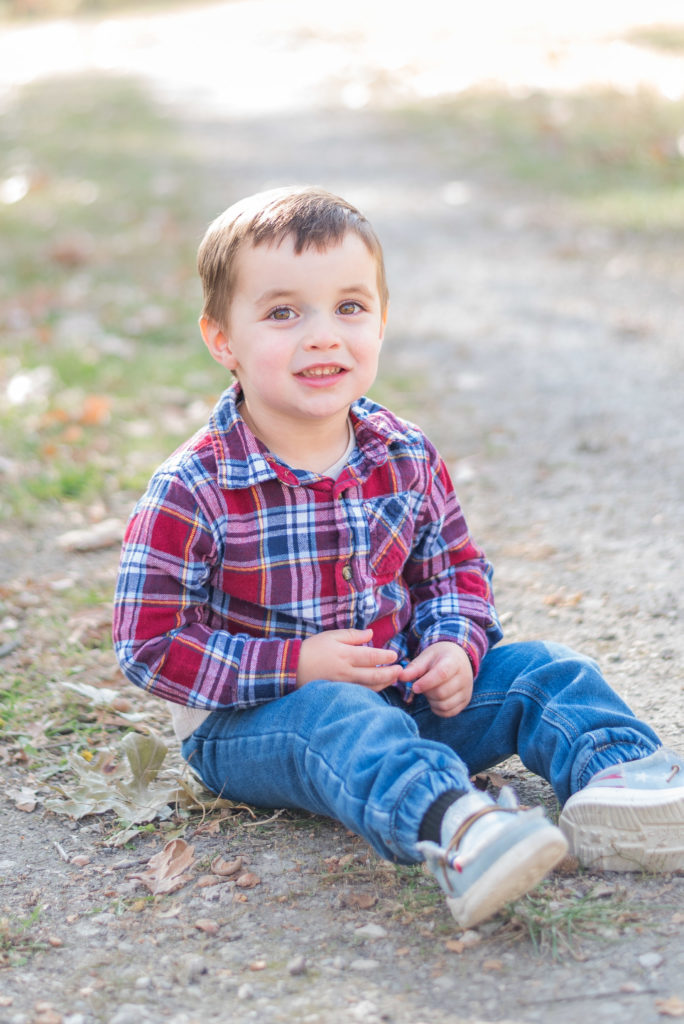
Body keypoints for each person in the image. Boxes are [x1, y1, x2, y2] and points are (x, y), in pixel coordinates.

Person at [113, 186, 684, 929]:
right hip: (253, 725)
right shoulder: (193, 486)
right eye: (284, 312)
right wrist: (295, 665)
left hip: (403, 694)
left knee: (543, 669)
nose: (323, 336)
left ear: (381, 323)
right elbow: (148, 645)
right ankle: (458, 829)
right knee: (337, 714)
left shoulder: (403, 453)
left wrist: (454, 642)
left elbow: (454, 574)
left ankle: (625, 785)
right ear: (222, 339)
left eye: (350, 307)